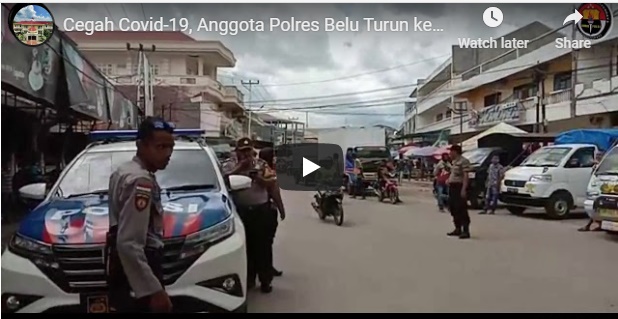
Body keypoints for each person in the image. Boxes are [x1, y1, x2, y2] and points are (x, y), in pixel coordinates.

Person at [106, 117, 175, 313]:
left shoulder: (124, 171)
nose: (168, 153)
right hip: (141, 265)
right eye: (161, 146)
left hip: (123, 267)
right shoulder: (140, 181)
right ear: (141, 145)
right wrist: (153, 290)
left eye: (171, 147)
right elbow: (129, 242)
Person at [222, 137, 276, 293]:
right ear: (237, 151)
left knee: (263, 247)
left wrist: (258, 178)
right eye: (243, 151)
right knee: (247, 248)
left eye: (249, 150)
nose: (247, 154)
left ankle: (266, 280)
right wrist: (239, 169)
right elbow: (222, 182)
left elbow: (271, 182)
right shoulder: (229, 164)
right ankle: (249, 279)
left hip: (261, 210)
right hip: (241, 212)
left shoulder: (261, 164)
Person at [258, 147, 286, 277]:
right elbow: (275, 192)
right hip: (268, 210)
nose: (275, 159)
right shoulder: (267, 171)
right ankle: (266, 269)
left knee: (262, 242)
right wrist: (281, 209)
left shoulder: (260, 169)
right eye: (273, 156)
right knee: (267, 242)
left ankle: (264, 268)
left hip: (260, 209)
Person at [447, 144, 472, 239]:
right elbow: (453, 174)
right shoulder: (454, 162)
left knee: (461, 208)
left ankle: (466, 231)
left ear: (455, 152)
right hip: (452, 188)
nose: (449, 154)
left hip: (459, 187)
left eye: (451, 152)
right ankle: (457, 228)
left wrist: (464, 189)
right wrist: (448, 180)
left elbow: (466, 176)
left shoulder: (464, 161)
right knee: (452, 208)